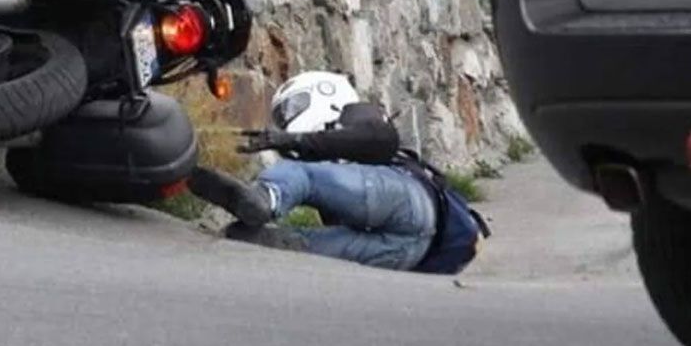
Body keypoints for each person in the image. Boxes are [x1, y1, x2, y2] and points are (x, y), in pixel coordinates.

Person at [187, 70, 489, 273]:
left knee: (300, 174)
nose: (286, 122)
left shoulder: (353, 114)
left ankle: (266, 197)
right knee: (304, 244)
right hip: (412, 252)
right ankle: (257, 237)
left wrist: (298, 142)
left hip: (408, 199)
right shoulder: (328, 159)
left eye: (290, 110)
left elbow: (383, 139)